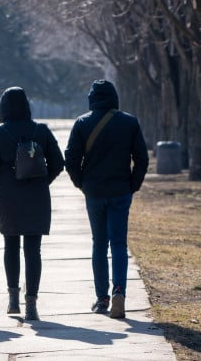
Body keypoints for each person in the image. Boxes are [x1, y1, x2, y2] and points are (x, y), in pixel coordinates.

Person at [64, 79, 149, 319]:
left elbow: (71, 159)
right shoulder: (129, 122)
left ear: (92, 99)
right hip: (121, 190)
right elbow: (141, 159)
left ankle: (102, 298)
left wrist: (82, 183)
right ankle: (119, 291)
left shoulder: (82, 123)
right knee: (119, 243)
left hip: (94, 192)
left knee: (99, 244)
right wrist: (133, 185)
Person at [0, 87, 64, 320]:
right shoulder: (41, 130)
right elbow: (58, 162)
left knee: (10, 246)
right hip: (36, 193)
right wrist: (42, 180)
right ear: (27, 106)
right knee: (33, 250)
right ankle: (32, 305)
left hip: (7, 194)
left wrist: (0, 184)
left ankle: (12, 300)